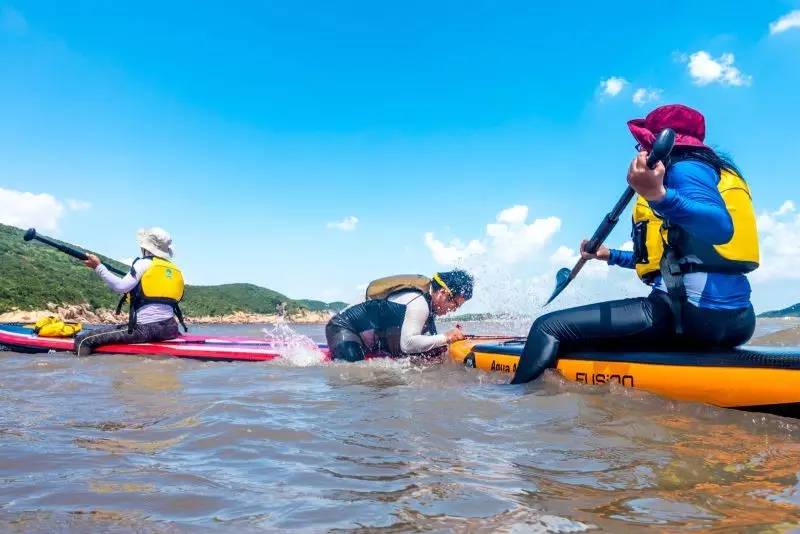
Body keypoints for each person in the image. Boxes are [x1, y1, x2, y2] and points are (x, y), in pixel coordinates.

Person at [512, 104, 759, 384]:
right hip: (736, 323)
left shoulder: (686, 169)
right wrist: (609, 255)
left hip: (687, 317)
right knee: (587, 342)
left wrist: (659, 195)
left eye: (641, 143)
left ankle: (512, 407)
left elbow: (720, 228)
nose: (638, 150)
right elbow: (664, 261)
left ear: (660, 143)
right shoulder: (713, 173)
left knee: (548, 327)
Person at [74, 227, 187, 356]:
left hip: (145, 330)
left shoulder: (143, 263)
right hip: (170, 329)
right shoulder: (175, 269)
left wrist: (98, 267)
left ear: (145, 248)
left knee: (83, 339)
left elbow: (121, 287)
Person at [326, 270, 474, 362]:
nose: (454, 310)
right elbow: (408, 344)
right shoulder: (419, 303)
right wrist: (446, 337)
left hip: (370, 339)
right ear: (442, 294)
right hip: (343, 327)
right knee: (354, 373)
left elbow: (421, 343)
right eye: (455, 304)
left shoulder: (428, 304)